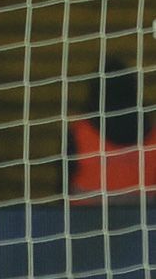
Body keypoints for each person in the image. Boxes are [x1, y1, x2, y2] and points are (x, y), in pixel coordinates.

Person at [67, 57, 156, 204]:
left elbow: (62, 186)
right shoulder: (153, 135)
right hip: (141, 220)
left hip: (84, 220)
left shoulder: (79, 133)